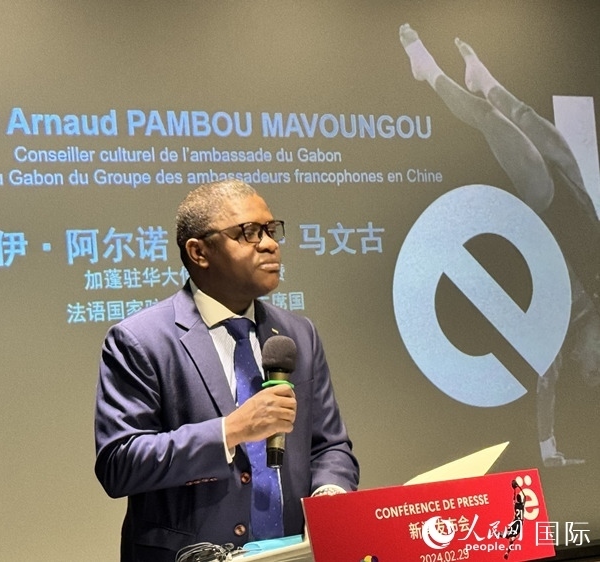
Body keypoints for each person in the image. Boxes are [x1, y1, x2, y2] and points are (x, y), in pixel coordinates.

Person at [94, 179, 360, 562]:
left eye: (271, 230)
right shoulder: (140, 340)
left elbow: (329, 445)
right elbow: (120, 463)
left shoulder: (297, 333)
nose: (269, 244)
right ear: (199, 252)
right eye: (248, 232)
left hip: (295, 553)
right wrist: (230, 430)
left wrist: (330, 498)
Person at [399, 23, 600, 467]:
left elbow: (547, 383)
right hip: (581, 197)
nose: (597, 362)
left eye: (592, 369)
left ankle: (428, 71)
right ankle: (482, 78)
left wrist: (548, 449)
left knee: (490, 121)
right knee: (525, 114)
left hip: (549, 204)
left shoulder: (561, 328)